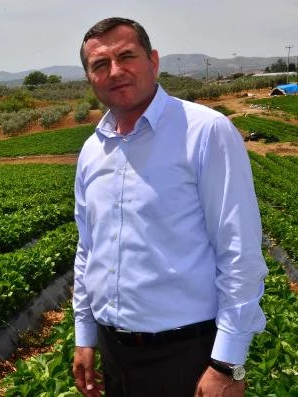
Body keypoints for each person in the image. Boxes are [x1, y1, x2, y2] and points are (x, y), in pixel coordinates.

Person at [72, 17, 267, 397]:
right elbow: (87, 249)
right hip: (115, 356)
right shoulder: (93, 150)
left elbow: (239, 250)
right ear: (90, 77)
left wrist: (227, 363)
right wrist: (85, 336)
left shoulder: (206, 132)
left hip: (188, 356)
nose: (115, 71)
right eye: (99, 64)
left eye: (126, 56)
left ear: (153, 61)